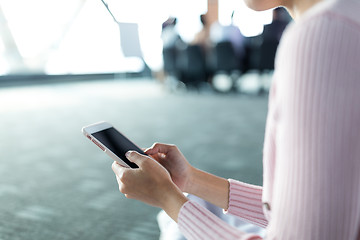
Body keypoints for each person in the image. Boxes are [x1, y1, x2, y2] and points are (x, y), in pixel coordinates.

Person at [111, 0, 360, 239]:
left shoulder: (325, 33)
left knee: (177, 226)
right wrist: (192, 180)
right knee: (196, 205)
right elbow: (311, 208)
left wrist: (167, 198)